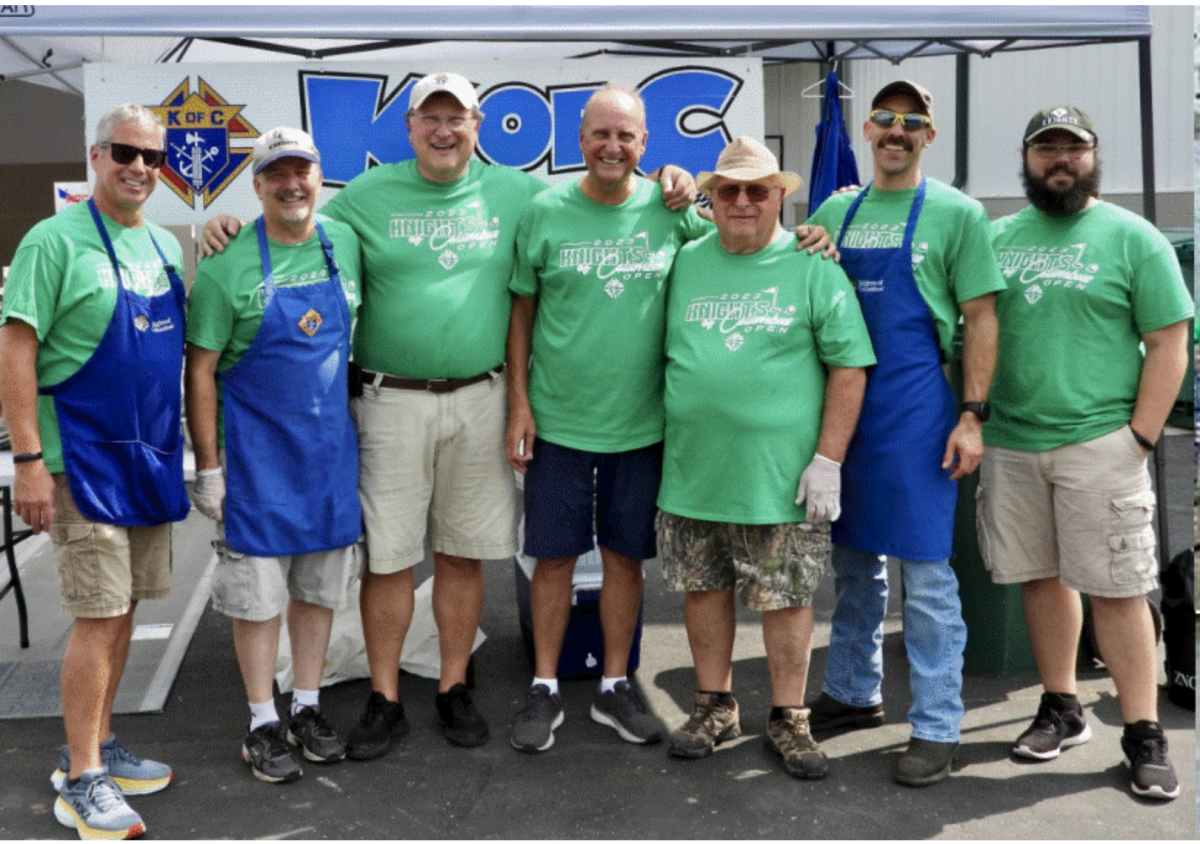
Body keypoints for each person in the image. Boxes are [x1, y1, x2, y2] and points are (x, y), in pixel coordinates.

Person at [203, 72, 695, 756]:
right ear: (408, 129)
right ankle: (383, 698)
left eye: (456, 119)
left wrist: (677, 175)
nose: (443, 131)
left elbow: (605, 200)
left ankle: (453, 687)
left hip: (480, 396)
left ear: (477, 126)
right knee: (391, 561)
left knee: (464, 556)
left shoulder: (521, 193)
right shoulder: (368, 196)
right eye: (429, 119)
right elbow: (294, 224)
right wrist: (226, 223)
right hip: (390, 400)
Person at [978, 106, 1191, 800]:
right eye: (1047, 149)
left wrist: (1139, 438)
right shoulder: (997, 236)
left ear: (1095, 156)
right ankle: (1062, 707)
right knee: (1041, 578)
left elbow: (1169, 343)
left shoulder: (1134, 238)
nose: (1059, 160)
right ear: (1027, 157)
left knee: (1119, 589)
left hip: (1101, 442)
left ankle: (1142, 732)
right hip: (1012, 440)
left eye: (1073, 148)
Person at [805, 80, 1005, 786]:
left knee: (925, 578)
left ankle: (938, 724)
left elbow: (980, 317)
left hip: (918, 414)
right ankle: (854, 691)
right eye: (885, 119)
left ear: (930, 134)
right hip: (844, 415)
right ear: (865, 128)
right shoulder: (834, 208)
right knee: (853, 563)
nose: (896, 131)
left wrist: (972, 416)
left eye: (911, 121)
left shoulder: (957, 213)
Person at [657, 136, 874, 780]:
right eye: (730, 191)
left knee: (786, 599)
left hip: (780, 480)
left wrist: (828, 459)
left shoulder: (814, 266)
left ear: (780, 196)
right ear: (712, 200)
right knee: (702, 589)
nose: (744, 201)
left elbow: (850, 369)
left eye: (758, 190)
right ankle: (713, 705)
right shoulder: (684, 260)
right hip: (693, 471)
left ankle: (789, 717)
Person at [0, 104, 188, 839]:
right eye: (125, 152)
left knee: (128, 605)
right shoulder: (53, 240)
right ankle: (81, 777)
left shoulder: (165, 246)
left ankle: (101, 744)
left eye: (152, 157)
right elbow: (16, 352)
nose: (140, 166)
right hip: (80, 458)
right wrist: (28, 461)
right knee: (99, 613)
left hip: (147, 456)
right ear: (96, 154)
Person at [504, 86, 709, 753]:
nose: (613, 147)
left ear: (645, 145)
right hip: (559, 424)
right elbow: (522, 312)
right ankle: (544, 689)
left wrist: (813, 241)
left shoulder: (672, 210)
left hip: (644, 427)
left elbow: (746, 244)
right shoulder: (545, 212)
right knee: (553, 558)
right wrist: (520, 405)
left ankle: (616, 685)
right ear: (579, 141)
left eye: (626, 136)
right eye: (600, 135)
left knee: (625, 560)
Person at [185, 128, 364, 784]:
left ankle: (309, 707)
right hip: (256, 463)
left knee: (318, 594)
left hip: (328, 457)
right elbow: (200, 370)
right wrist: (208, 466)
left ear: (320, 178)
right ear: (257, 184)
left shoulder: (342, 242)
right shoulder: (227, 263)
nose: (292, 184)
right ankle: (262, 720)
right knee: (258, 601)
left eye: (303, 172)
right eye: (276, 174)